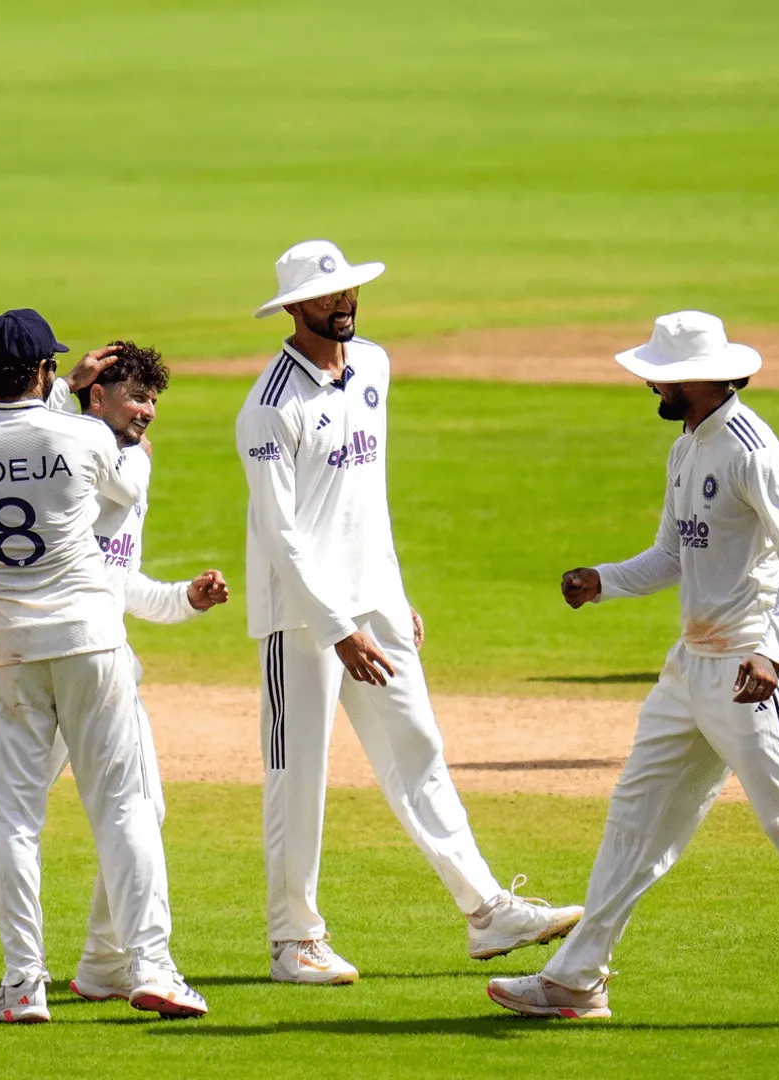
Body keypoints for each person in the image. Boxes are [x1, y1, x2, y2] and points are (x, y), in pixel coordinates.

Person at [486, 311, 779, 1027]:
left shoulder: (753, 451)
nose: (649, 384)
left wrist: (771, 647)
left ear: (701, 379)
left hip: (748, 672)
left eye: (662, 375)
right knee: (634, 819)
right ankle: (576, 978)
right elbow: (674, 554)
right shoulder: (687, 446)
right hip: (688, 672)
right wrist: (603, 580)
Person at [234, 240, 583, 984]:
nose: (344, 304)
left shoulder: (375, 368)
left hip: (375, 604)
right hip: (301, 621)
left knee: (418, 748)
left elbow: (366, 503)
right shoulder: (268, 408)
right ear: (295, 308)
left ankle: (486, 912)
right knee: (299, 774)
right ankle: (293, 940)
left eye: (349, 292)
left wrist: (389, 597)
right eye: (328, 297)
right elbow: (280, 532)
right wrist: (337, 628)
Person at [0, 341, 227, 1018]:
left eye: (153, 400)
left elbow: (119, 580)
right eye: (134, 397)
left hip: (57, 644)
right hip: (68, 650)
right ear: (87, 395)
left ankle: (101, 964)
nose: (146, 412)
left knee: (131, 810)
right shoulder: (96, 448)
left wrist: (183, 599)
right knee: (0, 819)